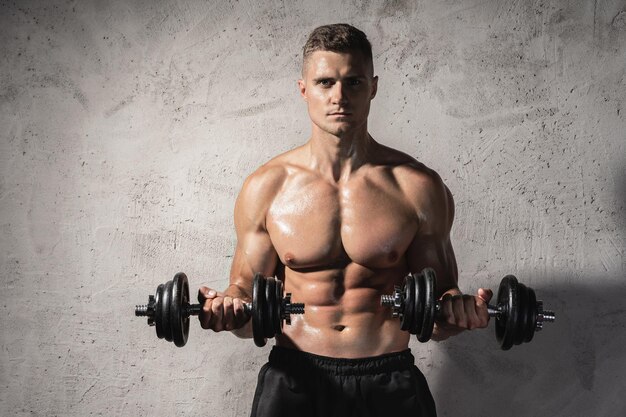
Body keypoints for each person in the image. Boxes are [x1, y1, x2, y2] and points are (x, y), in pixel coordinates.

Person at [197, 23, 493, 417]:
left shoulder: (416, 187)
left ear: (372, 86)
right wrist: (228, 311)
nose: (339, 97)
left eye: (352, 82)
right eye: (325, 82)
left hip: (388, 381)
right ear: (303, 89)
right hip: (294, 381)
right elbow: (250, 314)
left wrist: (459, 312)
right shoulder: (266, 187)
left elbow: (435, 317)